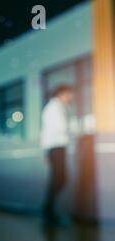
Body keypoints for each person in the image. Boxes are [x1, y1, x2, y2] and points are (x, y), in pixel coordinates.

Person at [40, 85, 74, 226]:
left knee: (58, 179)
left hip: (56, 147)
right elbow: (57, 128)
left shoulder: (57, 107)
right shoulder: (54, 108)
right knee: (60, 178)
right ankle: (47, 211)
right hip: (56, 147)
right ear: (61, 93)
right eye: (69, 94)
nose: (70, 97)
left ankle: (48, 211)